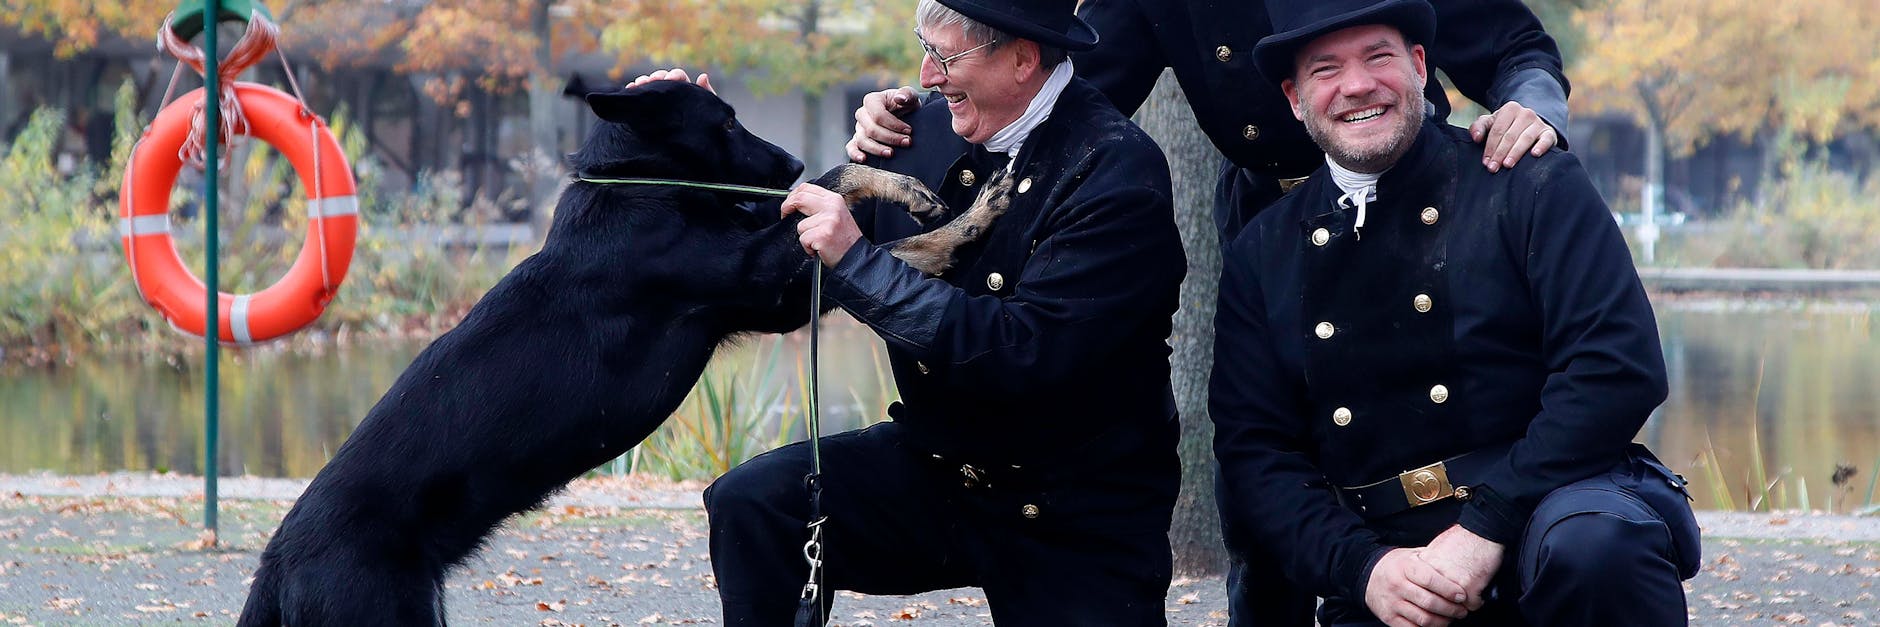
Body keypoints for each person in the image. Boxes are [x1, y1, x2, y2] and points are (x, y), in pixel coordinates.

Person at [1209, 1, 1701, 626]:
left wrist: (1485, 526)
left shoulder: (1527, 184)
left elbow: (1617, 369)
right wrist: (1363, 570)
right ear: (1295, 98)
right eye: (1326, 69)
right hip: (1386, 564)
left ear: (1420, 66)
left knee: (1598, 547)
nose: (1357, 85)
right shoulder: (1263, 252)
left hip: (1541, 521)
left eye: (1378, 57)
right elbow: (1256, 450)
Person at [702, 0, 1188, 623]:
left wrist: (857, 260)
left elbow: (1020, 353)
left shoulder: (1117, 170)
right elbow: (774, 258)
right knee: (756, 505)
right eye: (924, 47)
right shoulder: (922, 128)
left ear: (1022, 58)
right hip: (939, 467)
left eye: (947, 56)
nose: (926, 76)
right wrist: (685, 134)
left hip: (1074, 506)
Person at [844, 0, 1571, 244]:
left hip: (1425, 210)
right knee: (1265, 480)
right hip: (1272, 227)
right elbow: (1052, 93)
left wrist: (1532, 107)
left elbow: (1516, 47)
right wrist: (929, 111)